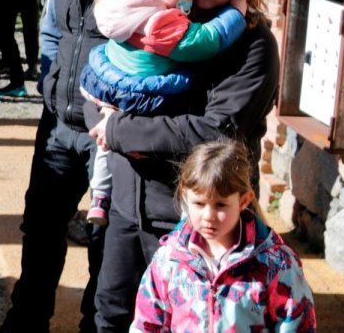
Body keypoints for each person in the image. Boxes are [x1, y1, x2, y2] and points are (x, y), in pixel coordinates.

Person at [87, 0, 281, 332]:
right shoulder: (152, 17)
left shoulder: (253, 45)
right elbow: (104, 81)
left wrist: (119, 131)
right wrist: (102, 122)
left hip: (193, 217)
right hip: (127, 201)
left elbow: (217, 132)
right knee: (111, 311)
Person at [0, 0, 157, 333]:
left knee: (106, 240)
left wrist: (124, 114)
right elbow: (52, 32)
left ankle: (95, 324)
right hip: (58, 126)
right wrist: (50, 83)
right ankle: (27, 321)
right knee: (41, 228)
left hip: (112, 132)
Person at [77, 0, 248, 227]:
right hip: (144, 93)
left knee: (105, 142)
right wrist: (236, 15)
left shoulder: (123, 5)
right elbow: (204, 41)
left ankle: (100, 196)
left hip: (107, 85)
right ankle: (182, 212)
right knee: (128, 132)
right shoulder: (161, 19)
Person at [131, 140, 316, 332]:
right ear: (185, 196)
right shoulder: (169, 260)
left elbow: (298, 324)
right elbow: (147, 324)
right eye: (199, 204)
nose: (209, 216)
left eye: (220, 205)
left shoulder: (276, 264)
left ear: (243, 200)